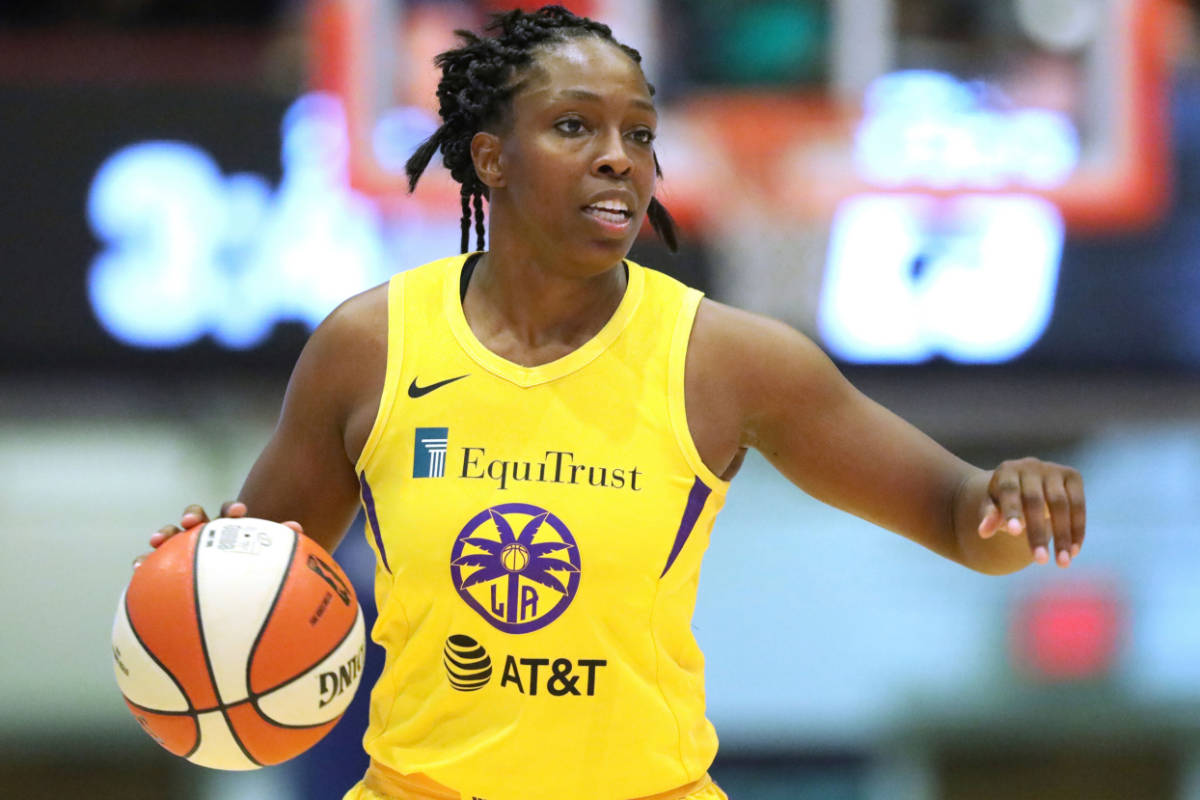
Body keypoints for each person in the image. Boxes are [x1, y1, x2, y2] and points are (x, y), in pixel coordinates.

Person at [143, 6, 1086, 800]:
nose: (618, 159)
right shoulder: (369, 347)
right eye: (574, 127)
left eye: (638, 133)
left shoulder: (727, 360)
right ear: (491, 158)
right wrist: (194, 581)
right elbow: (248, 587)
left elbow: (962, 520)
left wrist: (1016, 498)